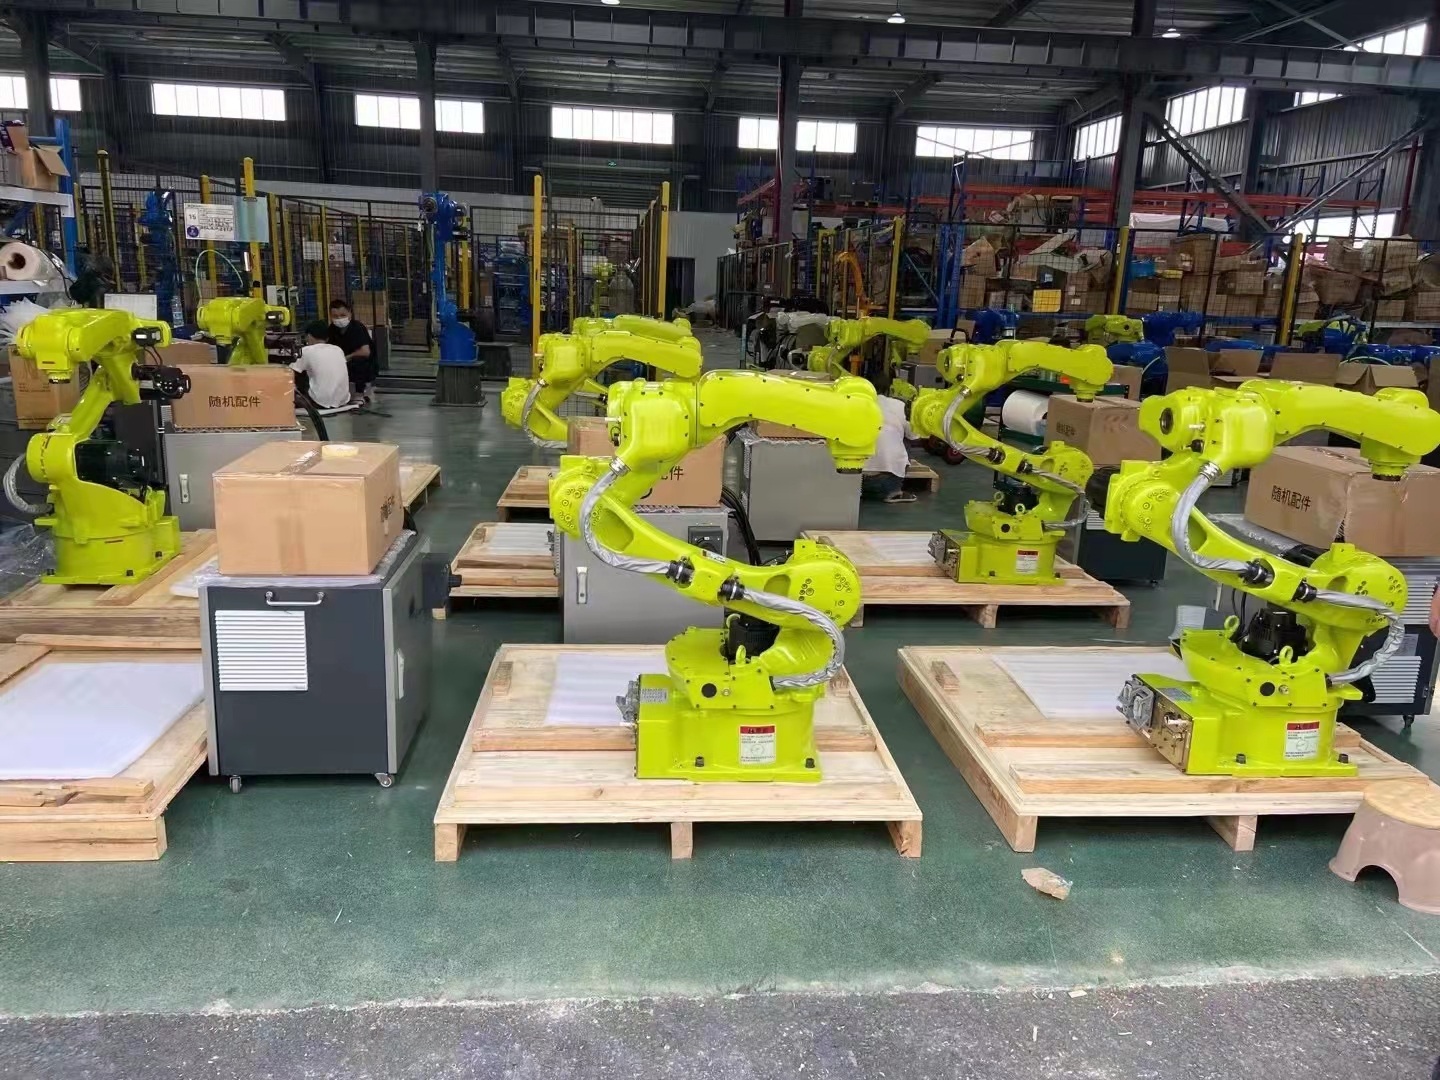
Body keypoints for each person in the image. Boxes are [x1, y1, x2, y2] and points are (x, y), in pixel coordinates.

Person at [861, 394, 916, 503]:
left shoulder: (851, 402)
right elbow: (913, 435)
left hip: (852, 479)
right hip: (886, 481)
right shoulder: (900, 405)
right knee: (905, 437)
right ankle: (894, 491)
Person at [291, 320, 353, 410]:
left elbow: (290, 373)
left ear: (309, 336)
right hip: (343, 400)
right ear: (327, 338)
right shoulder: (338, 350)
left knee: (296, 376)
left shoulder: (306, 351)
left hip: (319, 402)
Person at [327, 298, 376, 403]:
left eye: (343, 315)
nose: (339, 319)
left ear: (349, 314)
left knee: (359, 362)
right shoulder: (332, 330)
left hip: (360, 363)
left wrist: (346, 357)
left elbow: (365, 352)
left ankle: (359, 393)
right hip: (342, 362)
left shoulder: (357, 328)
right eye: (335, 316)